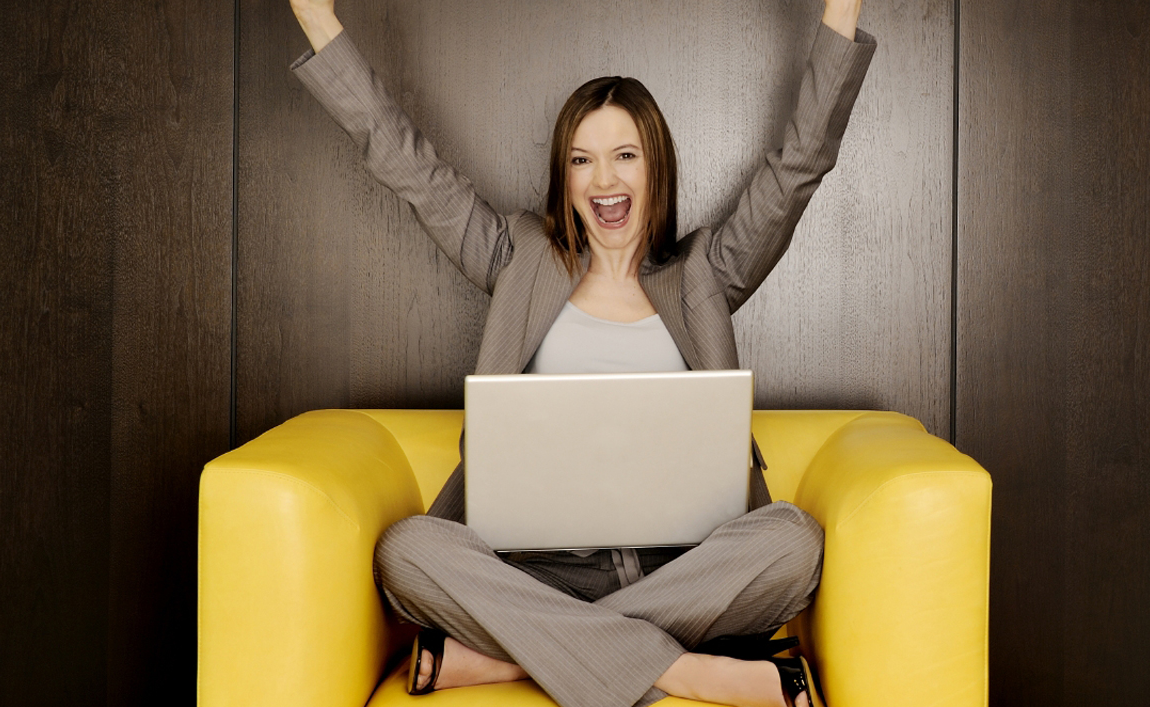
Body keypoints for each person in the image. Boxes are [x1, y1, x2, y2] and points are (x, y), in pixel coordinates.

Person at [285, 1, 875, 706]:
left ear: (656, 167)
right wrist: (317, 17)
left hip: (681, 569)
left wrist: (841, 10)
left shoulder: (705, 272)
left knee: (793, 542)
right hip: (536, 572)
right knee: (406, 551)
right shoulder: (518, 256)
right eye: (582, 160)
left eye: (625, 156)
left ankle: (518, 656)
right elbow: (403, 158)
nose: (604, 181)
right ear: (563, 178)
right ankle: (687, 669)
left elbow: (799, 164)